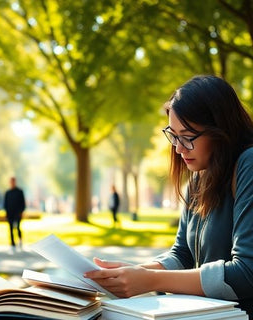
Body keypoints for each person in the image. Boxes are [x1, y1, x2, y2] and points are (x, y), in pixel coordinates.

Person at [84, 75, 253, 318]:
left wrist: (151, 280)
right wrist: (133, 272)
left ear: (221, 129)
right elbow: (182, 254)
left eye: (188, 136)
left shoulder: (248, 164)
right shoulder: (197, 178)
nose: (178, 148)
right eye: (173, 135)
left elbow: (247, 272)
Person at [4, 176, 26, 250]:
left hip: (18, 213)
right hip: (10, 213)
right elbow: (5, 204)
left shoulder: (20, 192)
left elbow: (23, 203)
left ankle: (20, 240)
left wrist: (21, 211)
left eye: (13, 181)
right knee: (10, 228)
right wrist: (6, 212)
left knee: (18, 227)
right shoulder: (7, 192)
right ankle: (12, 243)